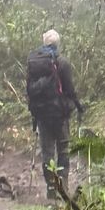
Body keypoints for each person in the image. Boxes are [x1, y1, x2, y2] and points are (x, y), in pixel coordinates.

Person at [25, 27, 82, 196]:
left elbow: (29, 90)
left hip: (41, 115)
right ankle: (62, 184)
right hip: (60, 114)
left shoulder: (34, 63)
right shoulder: (62, 62)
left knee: (47, 151)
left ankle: (51, 187)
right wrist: (78, 106)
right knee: (63, 148)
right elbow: (69, 89)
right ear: (57, 44)